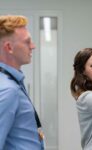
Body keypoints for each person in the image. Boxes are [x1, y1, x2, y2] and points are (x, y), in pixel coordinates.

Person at [0, 15, 44, 149]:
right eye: (27, 42)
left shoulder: (13, 82)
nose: (33, 46)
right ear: (9, 47)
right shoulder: (8, 90)